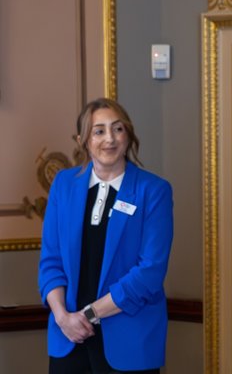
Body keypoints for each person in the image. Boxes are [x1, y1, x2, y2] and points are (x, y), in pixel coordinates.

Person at [38, 98, 174, 374]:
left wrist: (88, 315)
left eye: (118, 129)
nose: (109, 139)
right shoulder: (64, 185)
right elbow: (50, 262)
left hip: (130, 341)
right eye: (99, 131)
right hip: (69, 339)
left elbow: (149, 272)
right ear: (83, 140)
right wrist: (64, 318)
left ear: (129, 134)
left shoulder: (154, 191)